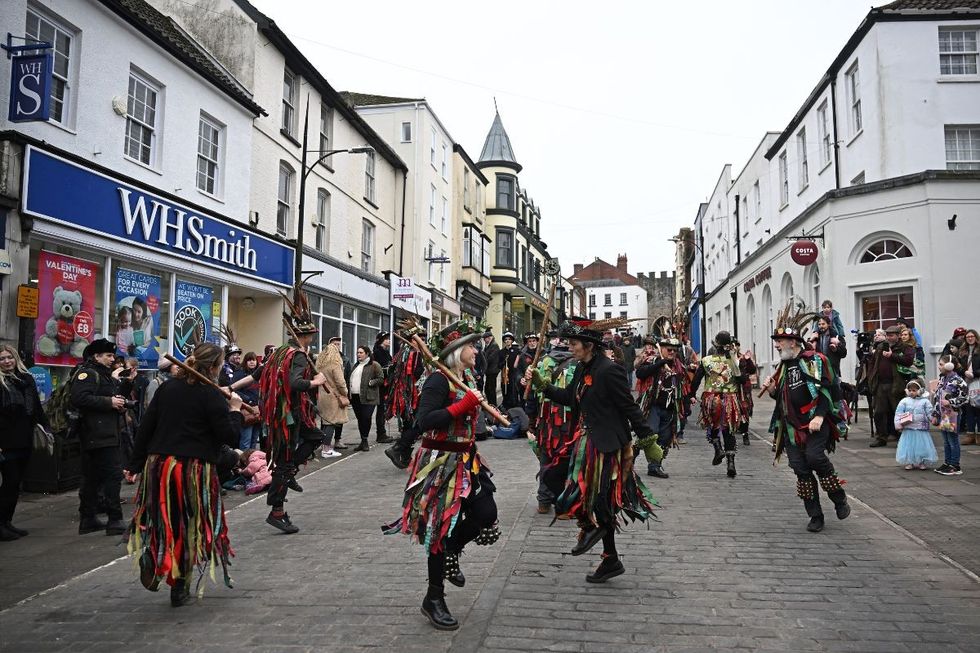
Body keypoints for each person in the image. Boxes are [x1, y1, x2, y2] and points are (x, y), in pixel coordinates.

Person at [384, 321, 499, 631]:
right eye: (472, 346)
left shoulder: (466, 376)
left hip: (467, 460)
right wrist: (464, 404)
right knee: (438, 530)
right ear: (457, 351)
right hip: (439, 463)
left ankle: (452, 552)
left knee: (487, 514)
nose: (477, 350)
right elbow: (424, 420)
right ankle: (433, 598)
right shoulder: (438, 380)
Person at [527, 317, 658, 585]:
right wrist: (543, 385)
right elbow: (569, 399)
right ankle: (602, 546)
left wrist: (648, 439)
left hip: (607, 444)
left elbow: (629, 407)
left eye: (573, 343)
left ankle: (604, 548)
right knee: (553, 477)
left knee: (599, 498)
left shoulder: (609, 370)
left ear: (588, 345)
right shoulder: (580, 368)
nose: (570, 347)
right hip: (585, 440)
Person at [125, 342, 243, 607]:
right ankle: (179, 585)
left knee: (164, 518)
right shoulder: (211, 395)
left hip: (160, 466)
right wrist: (235, 410)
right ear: (214, 366)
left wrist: (134, 464)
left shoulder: (168, 388)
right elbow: (228, 435)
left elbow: (146, 427)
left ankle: (156, 559)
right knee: (190, 525)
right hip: (193, 470)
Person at [765, 311, 850, 533]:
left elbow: (828, 389)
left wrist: (820, 416)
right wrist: (773, 389)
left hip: (814, 421)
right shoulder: (783, 366)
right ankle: (815, 515)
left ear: (793, 342)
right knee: (800, 469)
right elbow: (782, 398)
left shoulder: (815, 360)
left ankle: (839, 498)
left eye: (779, 342)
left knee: (815, 458)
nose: (776, 346)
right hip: (791, 426)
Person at [258, 287, 331, 534]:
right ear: (307, 335)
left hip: (283, 415)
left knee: (314, 438)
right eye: (311, 335)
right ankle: (277, 511)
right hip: (289, 415)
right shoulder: (298, 355)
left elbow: (257, 375)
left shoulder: (279, 352)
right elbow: (295, 383)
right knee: (284, 463)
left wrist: (231, 387)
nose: (312, 338)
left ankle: (289, 473)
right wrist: (316, 382)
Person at [71, 338, 128, 536]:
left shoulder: (103, 374)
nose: (112, 359)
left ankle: (88, 519)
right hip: (96, 433)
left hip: (104, 432)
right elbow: (79, 398)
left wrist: (119, 401)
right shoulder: (87, 373)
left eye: (113, 355)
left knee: (92, 477)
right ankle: (114, 519)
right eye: (108, 355)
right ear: (96, 356)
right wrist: (109, 402)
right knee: (112, 476)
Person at [0, 345, 49, 541]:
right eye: (2, 359)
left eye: (9, 358)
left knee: (16, 483)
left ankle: (7, 521)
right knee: (9, 482)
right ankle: (0, 524)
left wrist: (47, 428)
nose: (6, 361)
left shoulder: (26, 379)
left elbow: (36, 407)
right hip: (5, 441)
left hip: (24, 438)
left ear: (16, 359)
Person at [687, 331, 744, 478]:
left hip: (712, 398)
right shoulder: (733, 360)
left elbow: (697, 379)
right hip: (730, 398)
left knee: (713, 425)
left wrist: (691, 394)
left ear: (715, 345)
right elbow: (742, 380)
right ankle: (731, 463)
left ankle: (718, 448)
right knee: (728, 430)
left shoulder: (706, 361)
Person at [531, 332, 577, 513]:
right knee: (566, 460)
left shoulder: (544, 361)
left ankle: (543, 501)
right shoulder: (577, 364)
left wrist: (532, 419)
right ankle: (564, 502)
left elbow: (535, 390)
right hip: (567, 419)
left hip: (546, 417)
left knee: (546, 457)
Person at [634, 337, 682, 479]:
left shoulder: (678, 365)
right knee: (650, 434)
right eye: (669, 349)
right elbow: (640, 373)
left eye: (674, 350)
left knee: (665, 438)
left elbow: (682, 386)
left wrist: (687, 399)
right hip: (653, 405)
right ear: (661, 349)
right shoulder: (652, 360)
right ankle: (630, 457)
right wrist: (660, 363)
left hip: (670, 407)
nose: (672, 352)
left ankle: (654, 467)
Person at [383, 331, 427, 469]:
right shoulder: (414, 354)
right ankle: (397, 449)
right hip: (411, 396)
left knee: (409, 425)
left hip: (401, 396)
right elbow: (417, 374)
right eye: (420, 339)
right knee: (417, 425)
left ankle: (405, 457)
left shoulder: (401, 353)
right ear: (412, 340)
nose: (423, 342)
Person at [867, 325, 915, 447]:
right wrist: (871, 378)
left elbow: (909, 361)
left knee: (900, 412)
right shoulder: (880, 347)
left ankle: (905, 437)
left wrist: (892, 356)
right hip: (881, 384)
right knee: (879, 412)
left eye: (891, 335)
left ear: (898, 336)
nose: (889, 337)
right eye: (887, 335)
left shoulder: (905, 347)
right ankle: (881, 437)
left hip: (897, 384)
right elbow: (873, 364)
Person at [933, 355, 969, 476]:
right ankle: (948, 463)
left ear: (949, 365)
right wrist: (935, 414)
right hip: (944, 415)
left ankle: (955, 465)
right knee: (946, 440)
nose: (939, 366)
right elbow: (937, 398)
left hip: (953, 414)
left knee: (953, 440)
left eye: (941, 364)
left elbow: (965, 397)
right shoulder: (943, 379)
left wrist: (950, 402)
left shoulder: (958, 381)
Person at [894, 380, 938, 471]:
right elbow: (898, 413)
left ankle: (921, 461)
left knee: (922, 446)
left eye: (914, 390)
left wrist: (933, 419)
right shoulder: (904, 401)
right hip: (909, 428)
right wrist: (898, 424)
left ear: (920, 390)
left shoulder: (925, 401)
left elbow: (929, 412)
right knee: (908, 446)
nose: (911, 392)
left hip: (921, 428)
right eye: (910, 390)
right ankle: (910, 462)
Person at [315, 340, 348, 458]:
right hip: (333, 397)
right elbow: (340, 382)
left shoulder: (320, 365)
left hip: (322, 396)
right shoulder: (335, 364)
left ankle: (324, 447)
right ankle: (327, 449)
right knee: (331, 423)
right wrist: (345, 392)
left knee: (325, 422)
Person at [348, 345, 384, 452]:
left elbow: (381, 378)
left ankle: (365, 440)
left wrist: (371, 382)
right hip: (355, 397)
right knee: (360, 419)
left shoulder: (374, 365)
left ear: (367, 353)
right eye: (358, 353)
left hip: (369, 397)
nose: (358, 354)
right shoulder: (356, 365)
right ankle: (363, 441)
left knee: (366, 418)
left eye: (361, 352)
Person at [956, 329, 980, 445]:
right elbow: (958, 366)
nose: (970, 338)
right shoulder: (962, 351)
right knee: (968, 409)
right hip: (966, 383)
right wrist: (963, 372)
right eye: (968, 337)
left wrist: (975, 373)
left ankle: (979, 435)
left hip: (978, 381)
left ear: (976, 337)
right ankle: (970, 434)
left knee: (978, 408)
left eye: (972, 336)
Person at [734, 340, 757, 446]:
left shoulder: (743, 358)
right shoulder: (727, 359)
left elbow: (752, 370)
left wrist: (748, 361)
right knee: (732, 410)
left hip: (743, 389)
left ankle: (745, 434)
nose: (734, 347)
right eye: (732, 345)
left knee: (745, 410)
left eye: (736, 345)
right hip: (731, 389)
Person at [236, 352, 261, 450]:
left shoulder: (259, 374)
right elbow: (234, 390)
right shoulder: (239, 374)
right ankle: (243, 463)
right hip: (246, 410)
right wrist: (248, 400)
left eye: (254, 360)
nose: (252, 362)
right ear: (245, 362)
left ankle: (252, 462)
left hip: (258, 411)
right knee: (246, 440)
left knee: (254, 440)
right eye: (249, 360)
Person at [516, 333, 540, 432]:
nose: (532, 343)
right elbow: (518, 372)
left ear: (537, 342)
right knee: (530, 407)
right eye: (529, 341)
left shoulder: (544, 354)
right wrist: (520, 378)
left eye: (534, 341)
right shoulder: (522, 356)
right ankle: (530, 427)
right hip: (528, 388)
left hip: (540, 387)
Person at [372, 332, 393, 444]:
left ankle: (382, 432)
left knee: (383, 410)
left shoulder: (385, 352)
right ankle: (381, 434)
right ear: (381, 340)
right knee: (380, 410)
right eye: (386, 339)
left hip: (385, 386)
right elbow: (379, 369)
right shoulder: (378, 352)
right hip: (380, 386)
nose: (389, 341)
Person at [499, 332, 521, 409]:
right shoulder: (501, 352)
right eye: (506, 339)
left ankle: (514, 405)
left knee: (514, 390)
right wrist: (504, 362)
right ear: (504, 341)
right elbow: (499, 365)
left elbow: (519, 362)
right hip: (505, 375)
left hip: (514, 374)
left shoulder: (516, 350)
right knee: (505, 390)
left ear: (512, 341)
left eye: (509, 339)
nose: (507, 341)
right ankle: (506, 405)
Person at [482, 330, 500, 406]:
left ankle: (493, 404)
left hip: (493, 370)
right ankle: (491, 404)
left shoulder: (494, 345)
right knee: (488, 389)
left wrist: (483, 361)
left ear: (489, 338)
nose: (484, 340)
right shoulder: (489, 345)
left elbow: (490, 358)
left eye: (485, 338)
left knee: (491, 389)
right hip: (490, 371)